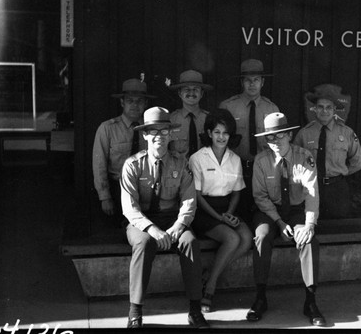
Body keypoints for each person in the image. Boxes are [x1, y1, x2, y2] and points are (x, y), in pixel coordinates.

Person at [120, 106, 209, 329]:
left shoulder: (180, 163)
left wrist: (178, 226)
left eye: (164, 131)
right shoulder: (132, 165)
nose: (159, 137)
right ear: (145, 135)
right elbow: (130, 208)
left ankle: (195, 310)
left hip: (172, 219)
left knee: (189, 241)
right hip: (141, 221)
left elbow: (189, 202)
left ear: (170, 134)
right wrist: (153, 229)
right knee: (143, 243)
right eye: (154, 132)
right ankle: (135, 312)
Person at [246, 112, 326, 327]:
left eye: (280, 136)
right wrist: (279, 223)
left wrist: (309, 224)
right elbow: (260, 197)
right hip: (269, 211)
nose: (275, 142)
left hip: (296, 211)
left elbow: (311, 193)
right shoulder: (261, 161)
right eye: (270, 137)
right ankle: (260, 297)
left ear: (289, 135)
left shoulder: (304, 156)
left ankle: (310, 301)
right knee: (262, 237)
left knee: (309, 241)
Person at [188, 108, 253, 313]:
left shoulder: (234, 159)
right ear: (209, 133)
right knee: (232, 239)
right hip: (203, 210)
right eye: (217, 132)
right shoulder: (197, 158)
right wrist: (219, 218)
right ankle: (211, 287)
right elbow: (196, 195)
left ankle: (208, 275)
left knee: (247, 237)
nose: (221, 137)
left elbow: (236, 192)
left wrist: (230, 214)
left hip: (227, 208)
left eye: (225, 133)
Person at [218, 59, 280, 224]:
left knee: (261, 215)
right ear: (241, 82)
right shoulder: (228, 107)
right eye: (247, 80)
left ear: (263, 82)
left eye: (256, 80)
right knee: (238, 213)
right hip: (235, 169)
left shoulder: (271, 109)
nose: (252, 84)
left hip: (262, 170)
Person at [294, 84, 361, 219]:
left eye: (329, 107)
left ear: (334, 110)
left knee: (338, 226)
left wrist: (340, 173)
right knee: (311, 224)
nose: (324, 111)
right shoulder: (304, 134)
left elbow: (358, 162)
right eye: (320, 107)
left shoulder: (347, 133)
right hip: (311, 187)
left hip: (337, 189)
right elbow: (294, 161)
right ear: (314, 109)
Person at [92, 78, 154, 227]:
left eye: (139, 101)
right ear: (122, 103)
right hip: (117, 190)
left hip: (147, 191)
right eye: (130, 101)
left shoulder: (151, 129)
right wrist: (105, 197)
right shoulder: (107, 128)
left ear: (145, 104)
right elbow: (99, 165)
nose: (134, 105)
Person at [168, 70, 212, 159]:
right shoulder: (171, 120)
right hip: (179, 170)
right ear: (180, 93)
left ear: (202, 93)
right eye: (187, 89)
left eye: (195, 89)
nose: (191, 93)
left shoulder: (210, 119)